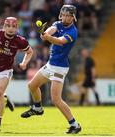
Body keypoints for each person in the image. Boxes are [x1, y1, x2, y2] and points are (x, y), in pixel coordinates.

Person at [21, 5, 81, 134]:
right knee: (32, 85)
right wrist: (45, 33)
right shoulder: (57, 24)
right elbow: (51, 30)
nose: (65, 17)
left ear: (73, 17)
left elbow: (59, 41)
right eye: (63, 14)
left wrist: (48, 38)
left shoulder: (73, 31)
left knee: (56, 99)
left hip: (60, 67)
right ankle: (37, 108)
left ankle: (75, 125)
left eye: (68, 15)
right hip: (50, 64)